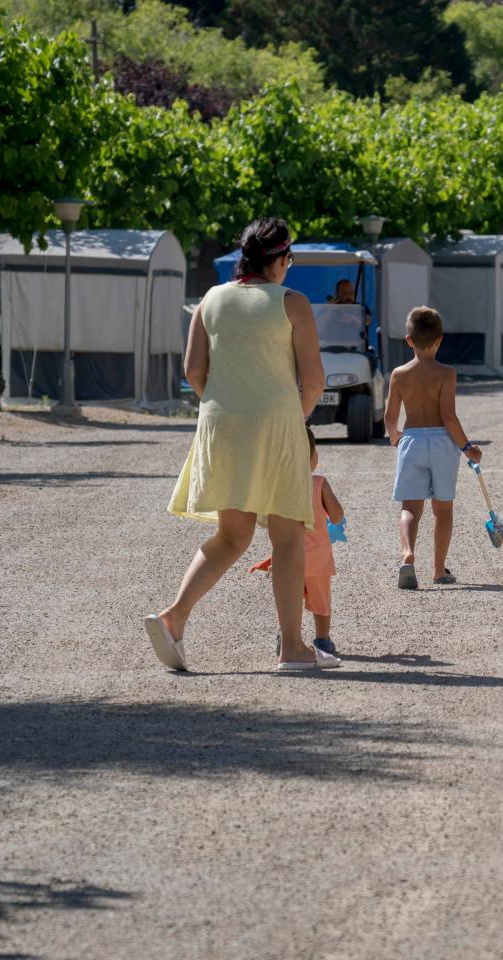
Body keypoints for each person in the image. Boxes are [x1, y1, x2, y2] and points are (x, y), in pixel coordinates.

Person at [149, 217, 341, 672]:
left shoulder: (210, 300)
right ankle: (292, 647)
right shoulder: (292, 304)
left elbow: (194, 373)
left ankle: (174, 617)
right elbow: (314, 382)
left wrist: (229, 406)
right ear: (280, 258)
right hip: (276, 424)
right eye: (290, 259)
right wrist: (292, 418)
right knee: (289, 535)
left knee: (232, 535)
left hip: (221, 423)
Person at [385, 306, 482, 589]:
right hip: (441, 441)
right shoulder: (446, 373)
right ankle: (439, 570)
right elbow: (449, 417)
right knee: (442, 510)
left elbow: (391, 417)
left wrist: (394, 436)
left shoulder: (399, 374)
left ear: (409, 340)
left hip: (412, 439)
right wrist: (467, 447)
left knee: (410, 507)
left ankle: (407, 554)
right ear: (440, 339)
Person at [249, 428, 347, 657]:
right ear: (312, 457)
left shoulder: (276, 486)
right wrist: (335, 519)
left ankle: (286, 636)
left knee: (288, 597)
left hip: (287, 557)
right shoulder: (319, 483)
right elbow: (337, 515)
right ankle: (322, 640)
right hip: (317, 558)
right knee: (321, 601)